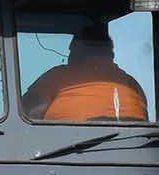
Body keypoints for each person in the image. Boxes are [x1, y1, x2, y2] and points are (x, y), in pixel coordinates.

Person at [20, 23, 148, 122]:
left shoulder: (59, 75)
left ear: (79, 50)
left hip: (68, 145)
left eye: (71, 49)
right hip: (131, 146)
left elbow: (28, 113)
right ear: (110, 54)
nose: (69, 54)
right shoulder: (131, 84)